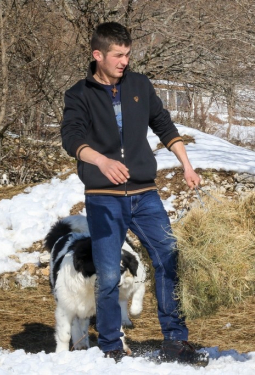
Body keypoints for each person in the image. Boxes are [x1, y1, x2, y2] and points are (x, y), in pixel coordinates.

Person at [60, 22, 207, 366]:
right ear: (98, 55)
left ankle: (175, 340)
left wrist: (186, 164)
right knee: (109, 275)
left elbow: (164, 124)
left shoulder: (140, 84)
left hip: (144, 193)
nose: (125, 61)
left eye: (128, 54)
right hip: (103, 196)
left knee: (168, 258)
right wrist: (101, 160)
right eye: (118, 55)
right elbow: (71, 137)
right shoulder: (78, 94)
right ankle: (110, 345)